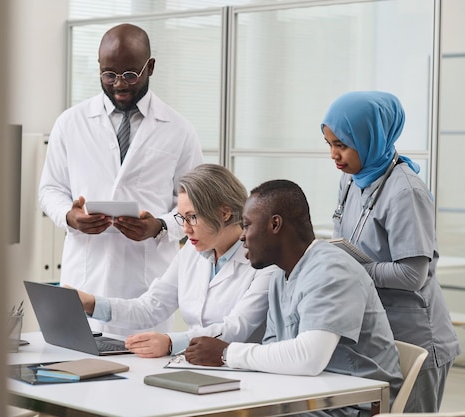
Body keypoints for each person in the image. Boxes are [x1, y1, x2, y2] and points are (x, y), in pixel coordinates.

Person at [38, 23, 204, 336]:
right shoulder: (70, 123)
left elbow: (197, 209)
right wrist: (70, 217)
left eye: (130, 74)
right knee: (74, 371)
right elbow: (50, 189)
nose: (119, 84)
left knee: (140, 376)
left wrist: (160, 227)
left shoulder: (179, 130)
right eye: (108, 74)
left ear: (150, 67)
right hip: (85, 276)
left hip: (146, 284)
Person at [185, 179, 402, 417]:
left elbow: (309, 358)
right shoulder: (281, 275)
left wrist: (227, 353)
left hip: (352, 407)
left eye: (247, 225)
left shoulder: (331, 269)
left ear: (275, 224)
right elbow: (274, 352)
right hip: (308, 396)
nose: (242, 237)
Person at [321, 90, 461, 412]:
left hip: (418, 338)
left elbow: (413, 274)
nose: (333, 155)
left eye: (342, 145)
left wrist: (353, 271)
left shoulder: (405, 191)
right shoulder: (352, 180)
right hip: (378, 333)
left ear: (372, 137)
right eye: (329, 144)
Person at [74, 164, 279, 357]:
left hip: (244, 373)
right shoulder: (191, 251)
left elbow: (236, 328)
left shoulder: (265, 262)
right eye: (182, 218)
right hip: (195, 363)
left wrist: (171, 343)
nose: (185, 229)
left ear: (224, 213)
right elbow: (151, 307)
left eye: (192, 217)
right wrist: (90, 303)